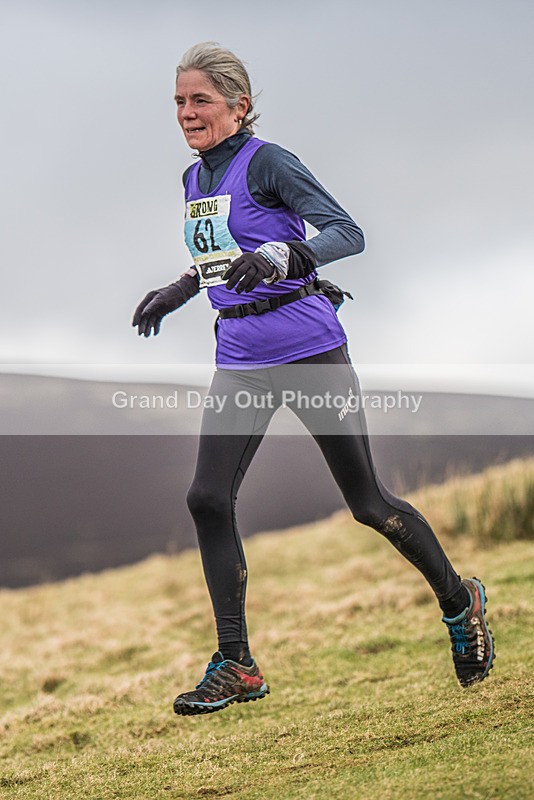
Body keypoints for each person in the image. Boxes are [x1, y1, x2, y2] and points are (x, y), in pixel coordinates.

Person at [132, 42, 495, 716]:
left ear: (238, 107)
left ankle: (459, 600)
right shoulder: (193, 180)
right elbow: (221, 255)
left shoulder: (269, 162)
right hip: (241, 356)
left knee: (369, 504)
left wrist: (284, 253)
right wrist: (181, 286)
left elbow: (345, 231)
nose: (186, 113)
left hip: (307, 349)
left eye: (200, 100)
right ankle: (237, 664)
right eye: (179, 102)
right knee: (207, 498)